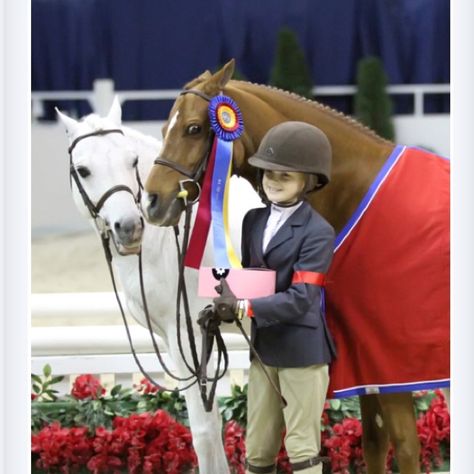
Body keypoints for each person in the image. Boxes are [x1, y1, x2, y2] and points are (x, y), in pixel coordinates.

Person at [213, 121, 337, 474]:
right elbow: (256, 279)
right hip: (264, 347)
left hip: (302, 350)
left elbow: (301, 298)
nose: (273, 181)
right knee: (258, 444)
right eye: (269, 173)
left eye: (285, 175)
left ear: (308, 181)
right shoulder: (253, 220)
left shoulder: (317, 232)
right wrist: (222, 298)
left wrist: (244, 306)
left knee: (301, 446)